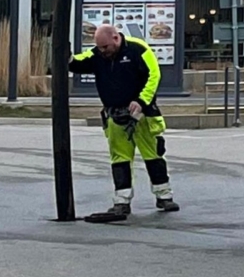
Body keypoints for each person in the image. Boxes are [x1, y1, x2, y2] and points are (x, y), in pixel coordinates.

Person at [70, 24, 179, 222]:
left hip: (143, 116)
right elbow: (77, 63)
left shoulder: (138, 49)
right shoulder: (97, 54)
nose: (102, 52)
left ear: (115, 38)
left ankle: (164, 196)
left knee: (153, 155)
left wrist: (141, 101)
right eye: (99, 48)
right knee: (119, 160)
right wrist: (66, 56)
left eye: (105, 47)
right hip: (115, 116)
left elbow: (153, 76)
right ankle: (122, 201)